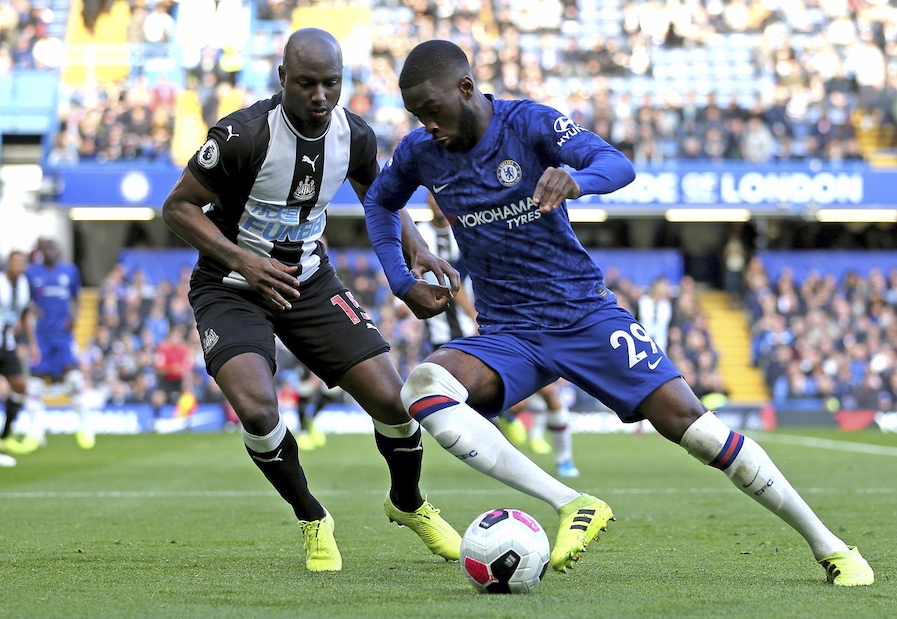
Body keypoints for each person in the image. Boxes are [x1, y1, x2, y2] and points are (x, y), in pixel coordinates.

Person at [363, 39, 874, 585]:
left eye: (432, 111)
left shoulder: (529, 123)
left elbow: (617, 162)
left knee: (698, 431)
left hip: (584, 315)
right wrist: (401, 279)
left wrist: (577, 179)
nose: (426, 124)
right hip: (509, 332)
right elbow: (380, 202)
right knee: (423, 386)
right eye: (416, 115)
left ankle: (832, 547)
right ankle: (570, 502)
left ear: (465, 89)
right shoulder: (421, 152)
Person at [161, 28, 461, 572]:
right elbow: (177, 208)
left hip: (310, 282)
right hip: (232, 287)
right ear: (282, 80)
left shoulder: (356, 137)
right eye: (306, 84)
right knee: (256, 408)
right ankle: (311, 516)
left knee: (394, 402)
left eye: (331, 84)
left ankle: (409, 502)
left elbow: (384, 199)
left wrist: (415, 252)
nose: (320, 96)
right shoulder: (241, 136)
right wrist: (241, 260)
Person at [25, 239, 94, 450]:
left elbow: (77, 297)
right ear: (40, 252)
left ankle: (85, 428)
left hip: (64, 336)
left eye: (53, 247)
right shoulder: (31, 273)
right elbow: (24, 299)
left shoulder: (69, 271)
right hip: (41, 336)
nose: (50, 251)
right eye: (46, 248)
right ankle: (36, 433)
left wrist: (75, 315)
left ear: (59, 250)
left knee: (75, 379)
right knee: (35, 385)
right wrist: (30, 310)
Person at [0, 250, 38, 464]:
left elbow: (24, 315)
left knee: (20, 387)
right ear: (8, 263)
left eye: (23, 262)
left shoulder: (25, 284)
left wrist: (32, 343)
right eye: (15, 261)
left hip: (7, 344)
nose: (19, 266)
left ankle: (4, 436)